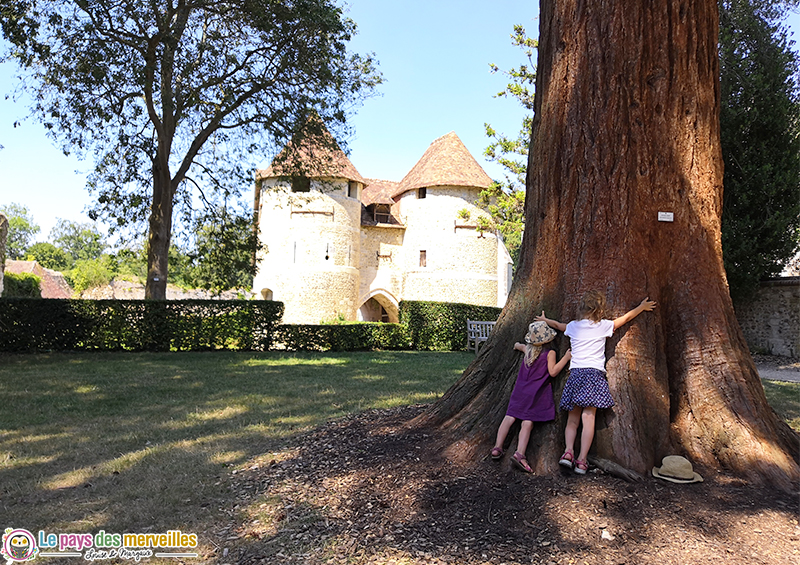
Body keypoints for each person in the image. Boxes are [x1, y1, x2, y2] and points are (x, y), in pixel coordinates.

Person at [536, 291, 656, 474]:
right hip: (593, 376)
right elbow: (624, 319)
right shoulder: (603, 326)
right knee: (588, 418)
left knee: (572, 419)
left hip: (575, 375)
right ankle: (582, 460)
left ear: (581, 309)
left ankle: (568, 452)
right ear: (599, 310)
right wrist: (641, 307)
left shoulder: (573, 326)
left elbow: (559, 326)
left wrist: (545, 320)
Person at [491, 321, 572, 473]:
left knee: (509, 417)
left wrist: (516, 344)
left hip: (520, 391)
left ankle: (497, 447)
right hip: (535, 393)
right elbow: (553, 371)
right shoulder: (550, 353)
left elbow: (519, 345)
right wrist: (566, 358)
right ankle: (520, 453)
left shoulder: (528, 349)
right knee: (527, 422)